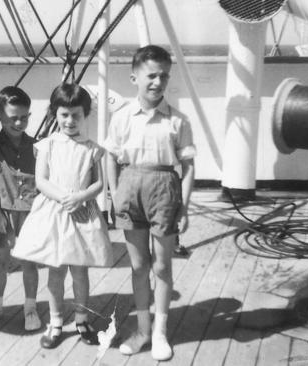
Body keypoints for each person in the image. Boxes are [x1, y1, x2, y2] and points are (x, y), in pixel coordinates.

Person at [104, 45, 195, 360]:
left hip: (164, 192)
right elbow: (111, 157)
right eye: (151, 75)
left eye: (164, 75)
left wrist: (184, 205)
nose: (158, 81)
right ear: (134, 77)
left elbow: (188, 166)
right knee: (139, 265)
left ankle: (159, 333)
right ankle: (142, 329)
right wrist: (114, 193)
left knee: (162, 265)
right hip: (130, 189)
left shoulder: (178, 120)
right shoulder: (122, 118)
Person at [13, 83, 114, 349]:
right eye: (64, 115)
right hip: (54, 214)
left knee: (80, 271)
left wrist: (80, 197)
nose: (70, 121)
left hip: (82, 214)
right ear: (54, 114)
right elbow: (41, 180)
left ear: (85, 115)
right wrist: (63, 198)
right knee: (55, 272)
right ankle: (56, 322)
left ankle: (82, 319)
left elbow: (98, 184)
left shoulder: (92, 149)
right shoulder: (47, 145)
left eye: (76, 115)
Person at [0, 86, 41, 331]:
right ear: (0, 116)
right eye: (13, 117)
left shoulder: (36, 146)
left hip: (30, 214)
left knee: (29, 264)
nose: (19, 121)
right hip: (2, 213)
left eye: (24, 116)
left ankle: (31, 308)